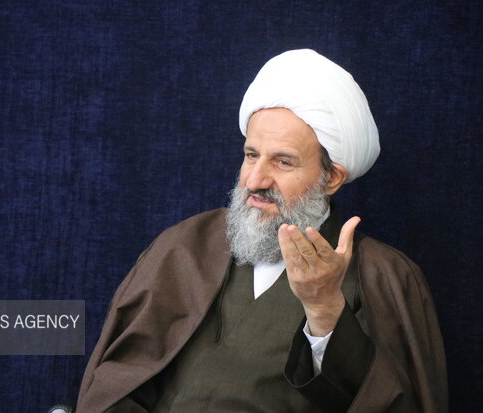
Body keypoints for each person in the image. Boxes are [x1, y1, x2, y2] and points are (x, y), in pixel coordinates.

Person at [76, 49, 448, 413]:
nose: (255, 181)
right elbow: (117, 382)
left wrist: (324, 309)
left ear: (332, 177)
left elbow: (392, 401)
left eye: (283, 162)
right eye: (251, 155)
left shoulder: (386, 276)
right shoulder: (186, 245)